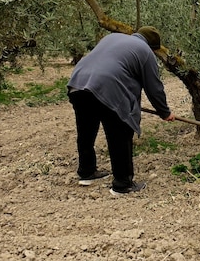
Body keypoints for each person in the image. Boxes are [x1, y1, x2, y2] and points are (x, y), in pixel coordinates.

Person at [67, 26, 175, 195]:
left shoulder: (112, 38)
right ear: (153, 47)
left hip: (78, 84)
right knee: (120, 133)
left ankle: (86, 172)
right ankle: (122, 184)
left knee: (86, 132)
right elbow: (154, 88)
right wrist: (165, 112)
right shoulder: (145, 51)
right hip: (107, 89)